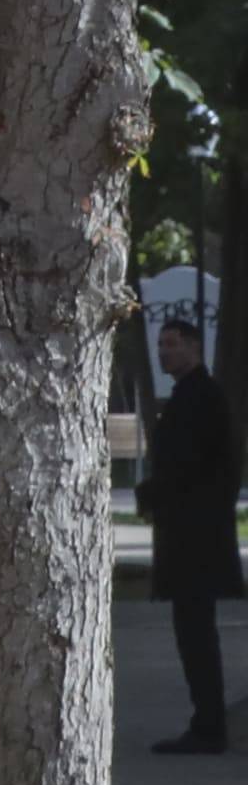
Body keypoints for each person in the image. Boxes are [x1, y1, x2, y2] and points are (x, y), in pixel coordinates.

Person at [144, 312, 240, 755]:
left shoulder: (200, 396)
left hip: (194, 539)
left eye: (174, 343)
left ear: (194, 347)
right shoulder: (192, 394)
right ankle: (206, 720)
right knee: (194, 632)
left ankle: (208, 725)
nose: (165, 351)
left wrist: (151, 494)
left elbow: (189, 467)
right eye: (162, 344)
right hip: (192, 535)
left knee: (196, 634)